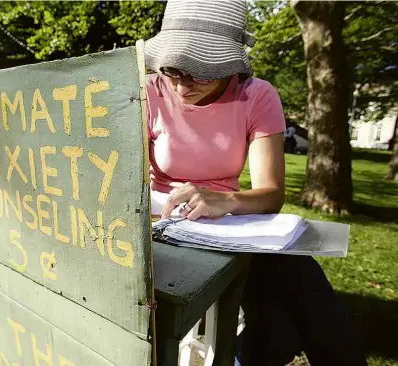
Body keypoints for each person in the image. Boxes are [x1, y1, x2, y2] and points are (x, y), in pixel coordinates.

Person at [143, 1, 367, 365]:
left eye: (201, 72)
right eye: (172, 70)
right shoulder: (149, 91)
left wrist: (226, 201)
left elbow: (270, 194)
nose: (182, 86)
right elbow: (125, 178)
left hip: (232, 225)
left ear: (229, 63)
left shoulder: (257, 95)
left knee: (295, 281)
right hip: (163, 223)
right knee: (279, 330)